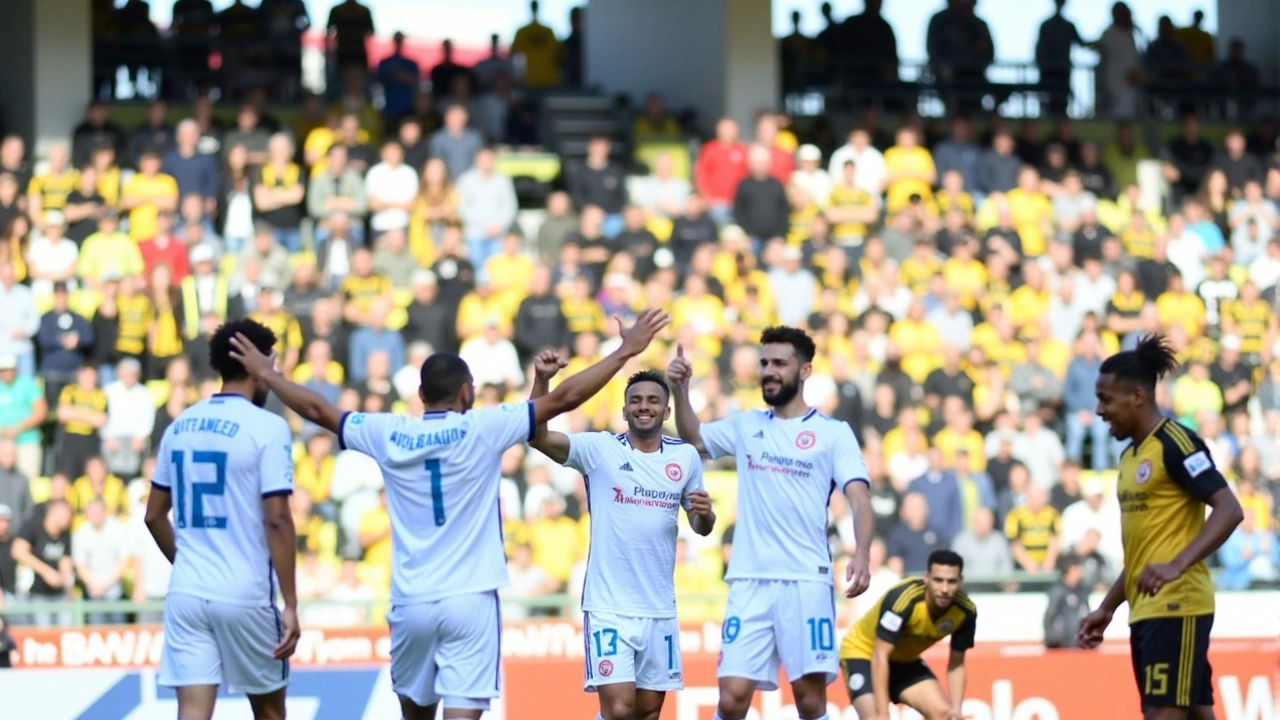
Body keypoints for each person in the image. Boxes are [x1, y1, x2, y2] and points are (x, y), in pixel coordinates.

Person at [227, 309, 670, 720]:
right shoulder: (484, 427)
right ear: (467, 392)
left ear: (420, 395)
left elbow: (318, 410)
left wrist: (270, 375)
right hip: (471, 600)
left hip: (412, 600)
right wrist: (626, 351)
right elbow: (566, 399)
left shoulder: (388, 432)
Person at [666, 326, 874, 720]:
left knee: (810, 701)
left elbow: (860, 498)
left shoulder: (832, 434)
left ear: (805, 371)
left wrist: (862, 552)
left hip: (807, 580)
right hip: (750, 580)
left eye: (780, 363)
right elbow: (693, 437)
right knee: (731, 698)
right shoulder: (747, 425)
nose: (769, 371)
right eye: (764, 363)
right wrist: (680, 389)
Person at [528, 360, 716, 720]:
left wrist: (705, 514)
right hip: (609, 607)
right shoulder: (599, 450)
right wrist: (541, 381)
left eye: (652, 400)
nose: (644, 406)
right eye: (636, 400)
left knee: (648, 711)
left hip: (659, 608)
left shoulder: (685, 457)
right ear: (625, 409)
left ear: (666, 410)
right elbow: (537, 437)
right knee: (618, 708)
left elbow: (700, 525)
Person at [1078, 334, 1244, 719]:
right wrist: (1107, 607)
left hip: (1177, 604)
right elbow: (1143, 552)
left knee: (1162, 713)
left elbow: (1229, 509)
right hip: (1147, 609)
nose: (1100, 411)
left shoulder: (1175, 443)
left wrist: (1177, 565)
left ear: (1137, 397)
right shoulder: (1128, 457)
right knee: (1196, 712)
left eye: (1106, 399)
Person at [143, 318, 301, 720]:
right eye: (272, 365)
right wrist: (292, 603)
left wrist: (190, 563)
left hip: (188, 592)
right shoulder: (268, 427)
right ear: (256, 364)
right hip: (244, 591)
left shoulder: (179, 426)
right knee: (269, 711)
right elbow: (278, 519)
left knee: (192, 713)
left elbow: (154, 515)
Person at [839, 550, 975, 720]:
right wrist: (883, 713)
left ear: (960, 581)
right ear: (927, 578)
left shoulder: (965, 612)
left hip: (904, 661)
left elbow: (957, 664)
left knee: (944, 715)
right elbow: (880, 656)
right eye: (938, 580)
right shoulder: (903, 600)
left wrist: (956, 709)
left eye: (952, 581)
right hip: (863, 653)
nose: (945, 589)